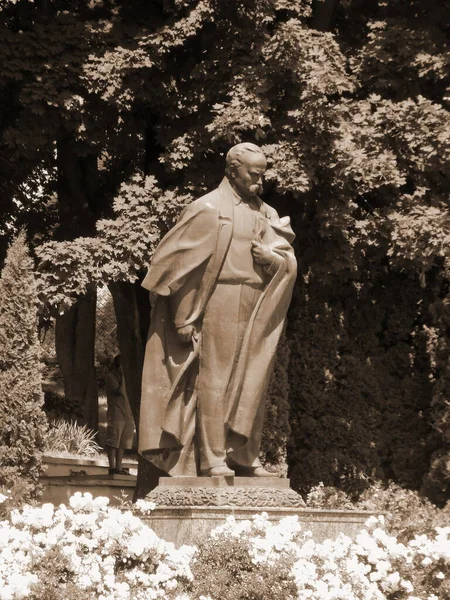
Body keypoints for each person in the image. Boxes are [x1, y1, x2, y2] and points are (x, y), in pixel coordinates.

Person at [139, 143, 297, 477]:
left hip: (259, 303)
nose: (259, 181)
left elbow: (286, 258)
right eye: (253, 174)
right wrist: (183, 317)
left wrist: (274, 261)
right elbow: (175, 265)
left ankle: (244, 456)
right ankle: (212, 458)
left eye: (262, 175)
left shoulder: (267, 214)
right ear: (232, 171)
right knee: (216, 380)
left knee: (254, 379)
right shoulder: (208, 208)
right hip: (220, 300)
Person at [105, 355, 135, 475]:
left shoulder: (129, 379)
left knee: (123, 443)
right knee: (113, 441)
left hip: (127, 413)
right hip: (116, 413)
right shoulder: (110, 378)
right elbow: (120, 392)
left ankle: (119, 467)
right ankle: (112, 467)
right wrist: (123, 377)